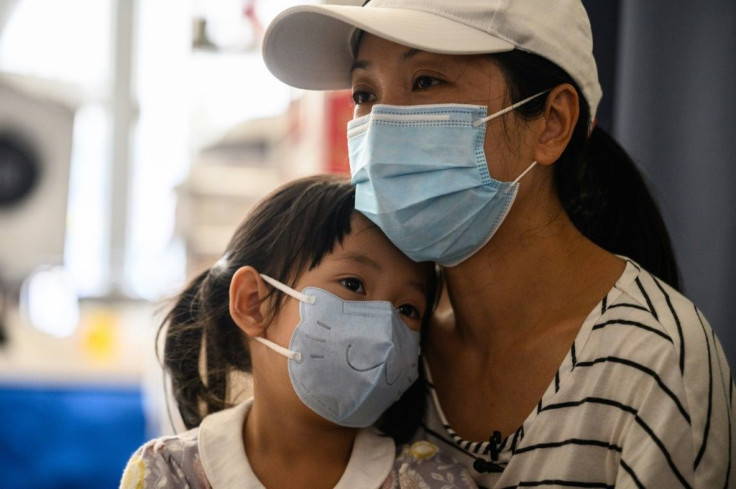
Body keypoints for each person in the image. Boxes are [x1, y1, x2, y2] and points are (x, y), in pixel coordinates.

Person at [261, 1, 735, 488]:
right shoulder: (383, 337)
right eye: (365, 92)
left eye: (426, 81)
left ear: (552, 122)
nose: (379, 126)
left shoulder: (655, 359)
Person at [120, 175, 478, 489]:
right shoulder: (168, 472)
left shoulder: (429, 481)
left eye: (407, 309)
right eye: (353, 284)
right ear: (252, 303)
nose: (384, 328)